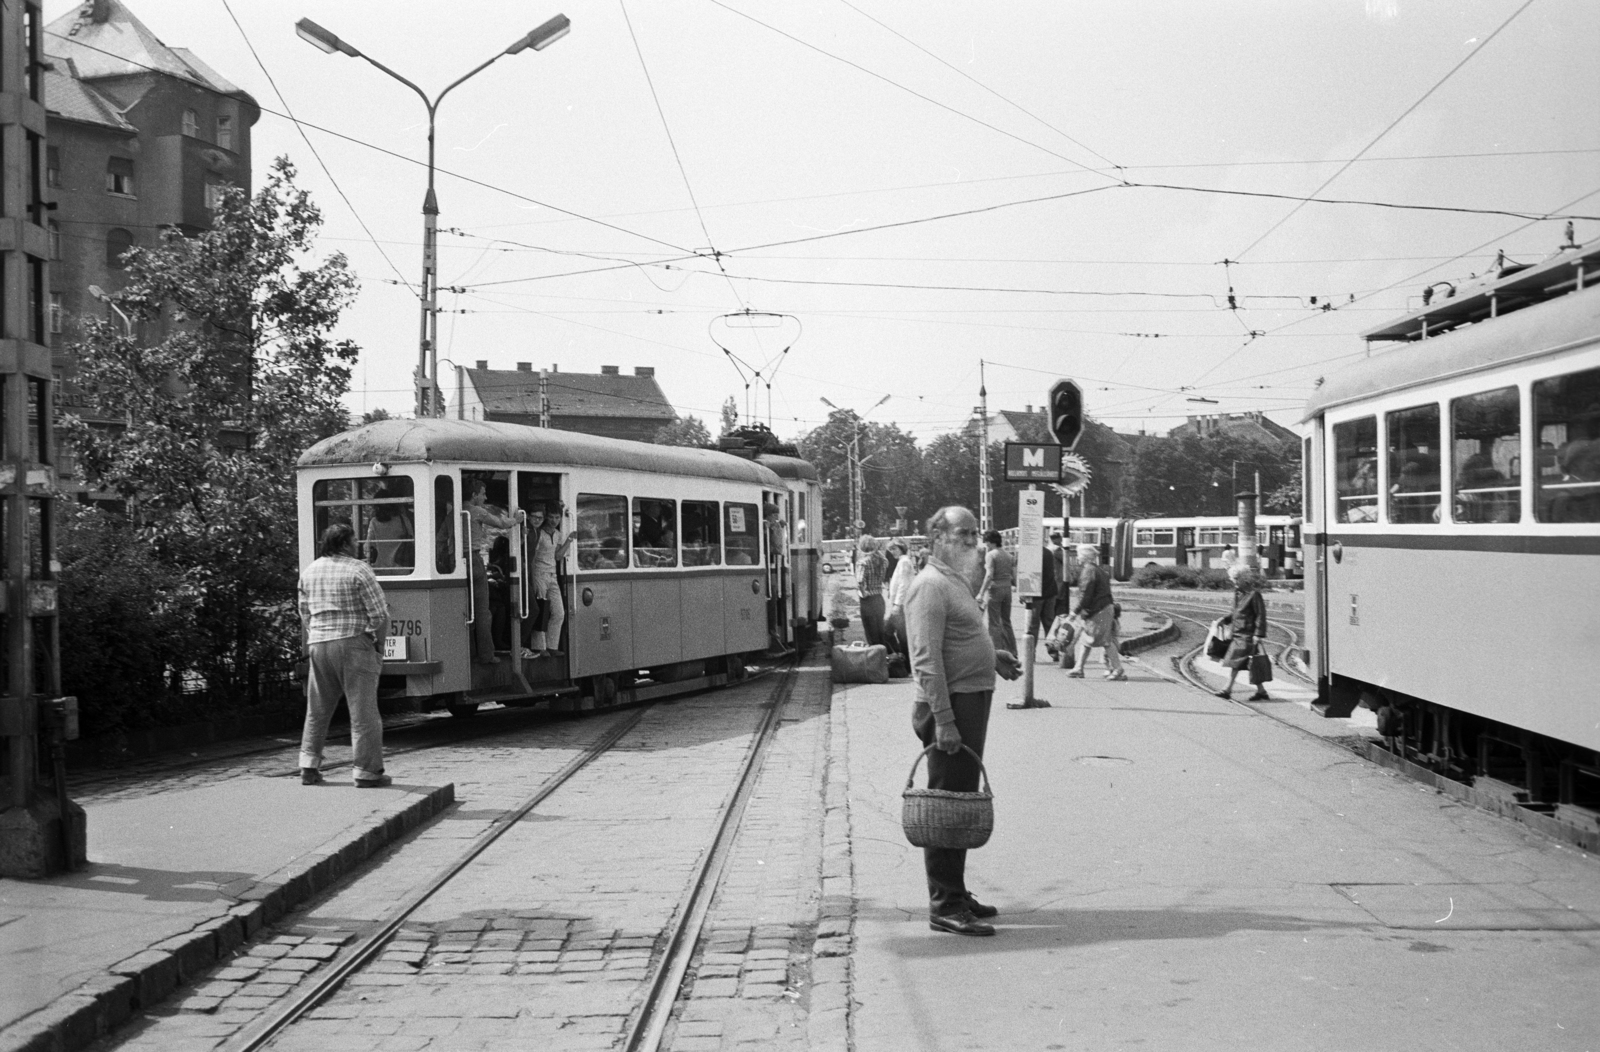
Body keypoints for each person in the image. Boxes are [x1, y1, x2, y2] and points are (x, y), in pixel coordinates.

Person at [905, 507, 1021, 937]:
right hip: (948, 706)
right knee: (945, 805)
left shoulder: (953, 580)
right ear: (938, 535)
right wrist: (945, 722)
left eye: (975, 533)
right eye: (963, 533)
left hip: (968, 701)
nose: (973, 540)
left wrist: (995, 658)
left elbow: (963, 640)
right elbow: (927, 663)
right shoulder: (929, 587)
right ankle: (944, 904)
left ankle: (957, 891)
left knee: (960, 801)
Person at [297, 523, 391, 788]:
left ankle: (308, 766)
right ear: (346, 543)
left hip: (318, 644)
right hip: (353, 645)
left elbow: (304, 613)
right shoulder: (359, 569)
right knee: (363, 713)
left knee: (317, 710)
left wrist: (319, 633)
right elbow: (379, 615)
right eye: (354, 540)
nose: (357, 544)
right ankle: (367, 772)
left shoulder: (310, 571)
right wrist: (378, 646)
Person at [466, 480, 522, 665]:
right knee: (483, 611)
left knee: (466, 610)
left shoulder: (453, 513)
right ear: (474, 495)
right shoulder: (477, 512)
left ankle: (470, 652)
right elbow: (500, 523)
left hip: (455, 562)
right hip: (473, 560)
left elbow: (442, 537)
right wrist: (517, 520)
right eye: (483, 493)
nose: (486, 497)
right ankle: (487, 655)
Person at [1068, 544, 1126, 680]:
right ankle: (1078, 668)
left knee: (1105, 640)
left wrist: (1074, 612)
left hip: (1098, 611)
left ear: (1084, 557)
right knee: (1087, 639)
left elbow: (1086, 595)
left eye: (1078, 555)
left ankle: (1118, 669)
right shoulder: (1097, 570)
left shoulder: (1088, 571)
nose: (1077, 557)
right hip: (1103, 608)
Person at [526, 502, 575, 659]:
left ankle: (552, 645)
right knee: (542, 609)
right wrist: (532, 577)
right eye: (552, 517)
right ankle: (539, 646)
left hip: (552, 575)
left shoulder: (558, 534)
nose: (554, 520)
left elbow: (558, 556)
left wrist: (569, 541)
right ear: (547, 517)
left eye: (557, 517)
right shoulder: (539, 534)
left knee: (559, 612)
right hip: (539, 573)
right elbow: (533, 557)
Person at [1217, 566, 1270, 701]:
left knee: (1236, 661)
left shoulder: (1253, 594)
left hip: (1247, 635)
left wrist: (1258, 634)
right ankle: (1261, 691)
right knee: (1247, 663)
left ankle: (1227, 689)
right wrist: (1225, 619)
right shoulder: (1237, 593)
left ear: (1244, 578)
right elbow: (1236, 613)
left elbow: (1260, 615)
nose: (1234, 582)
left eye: (1236, 579)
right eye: (1233, 579)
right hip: (1238, 633)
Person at [978, 530, 1017, 656]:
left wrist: (981, 592)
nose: (986, 545)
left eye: (987, 542)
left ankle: (996, 652)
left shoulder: (991, 555)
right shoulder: (1009, 555)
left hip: (995, 590)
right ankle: (1012, 650)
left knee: (994, 622)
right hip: (1007, 589)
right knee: (1006, 621)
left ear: (991, 542)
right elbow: (1014, 576)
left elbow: (989, 575)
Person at [884, 541, 916, 654]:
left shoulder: (904, 562)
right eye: (890, 550)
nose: (892, 552)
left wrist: (897, 604)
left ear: (901, 548)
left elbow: (904, 584)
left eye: (894, 549)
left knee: (901, 636)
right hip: (898, 605)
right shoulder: (902, 561)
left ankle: (905, 662)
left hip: (900, 606)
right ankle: (900, 657)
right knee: (891, 633)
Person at [856, 534, 888, 647]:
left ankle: (875, 657)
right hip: (879, 598)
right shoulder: (883, 561)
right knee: (880, 631)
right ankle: (884, 656)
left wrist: (864, 593)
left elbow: (860, 581)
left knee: (871, 633)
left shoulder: (863, 562)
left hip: (868, 600)